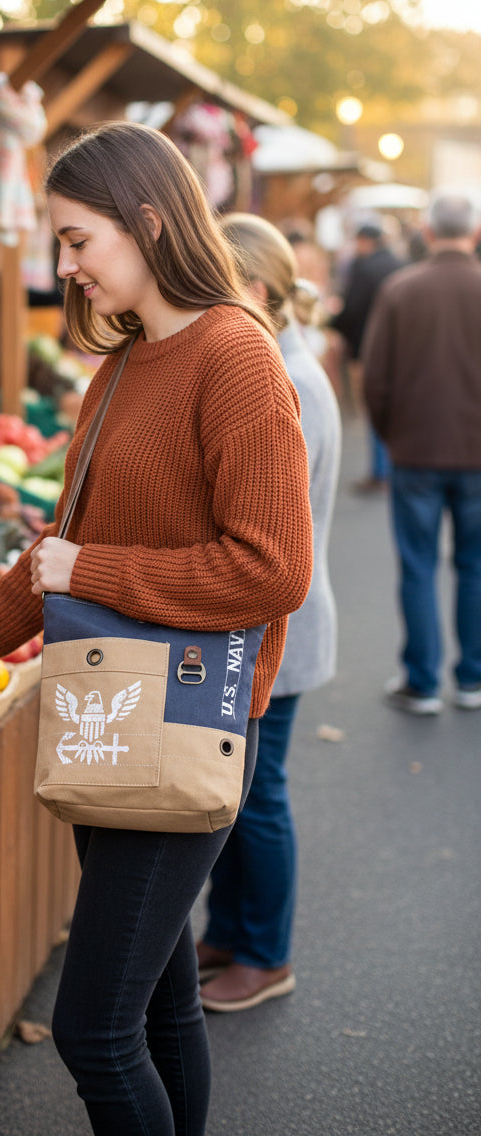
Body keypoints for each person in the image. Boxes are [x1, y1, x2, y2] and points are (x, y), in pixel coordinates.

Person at [0, 122, 313, 1136]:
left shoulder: (236, 357)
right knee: (160, 1004)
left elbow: (274, 570)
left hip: (188, 721)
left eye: (76, 240)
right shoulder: (120, 368)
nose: (63, 266)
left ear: (147, 222)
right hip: (112, 714)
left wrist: (93, 570)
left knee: (93, 1031)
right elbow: (54, 561)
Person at [196, 214, 341, 1013]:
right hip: (260, 626)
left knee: (259, 796)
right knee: (236, 790)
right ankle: (229, 932)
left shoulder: (290, 381)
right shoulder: (282, 364)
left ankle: (267, 953)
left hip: (278, 626)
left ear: (252, 290)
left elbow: (266, 531)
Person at [361, 192, 481, 715]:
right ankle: (473, 677)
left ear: (428, 233)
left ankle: (423, 680)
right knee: (475, 567)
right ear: (474, 234)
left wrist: (392, 436)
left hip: (416, 450)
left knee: (417, 566)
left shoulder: (401, 289)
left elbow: (375, 379)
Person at [330, 219, 405, 493]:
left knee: (373, 404)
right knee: (395, 406)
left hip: (367, 346)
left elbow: (352, 308)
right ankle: (392, 465)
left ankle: (380, 470)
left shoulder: (364, 267)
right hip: (399, 347)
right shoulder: (400, 264)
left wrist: (332, 323)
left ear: (365, 240)